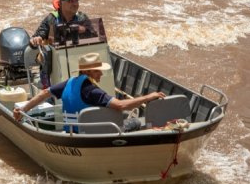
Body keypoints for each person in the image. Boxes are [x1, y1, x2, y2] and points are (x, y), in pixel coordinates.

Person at [13, 52, 165, 132]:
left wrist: (23, 109)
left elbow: (44, 93)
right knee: (137, 122)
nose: (101, 74)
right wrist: (148, 97)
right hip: (90, 133)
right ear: (89, 71)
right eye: (98, 71)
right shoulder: (92, 91)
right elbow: (120, 105)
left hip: (70, 131)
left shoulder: (69, 82)